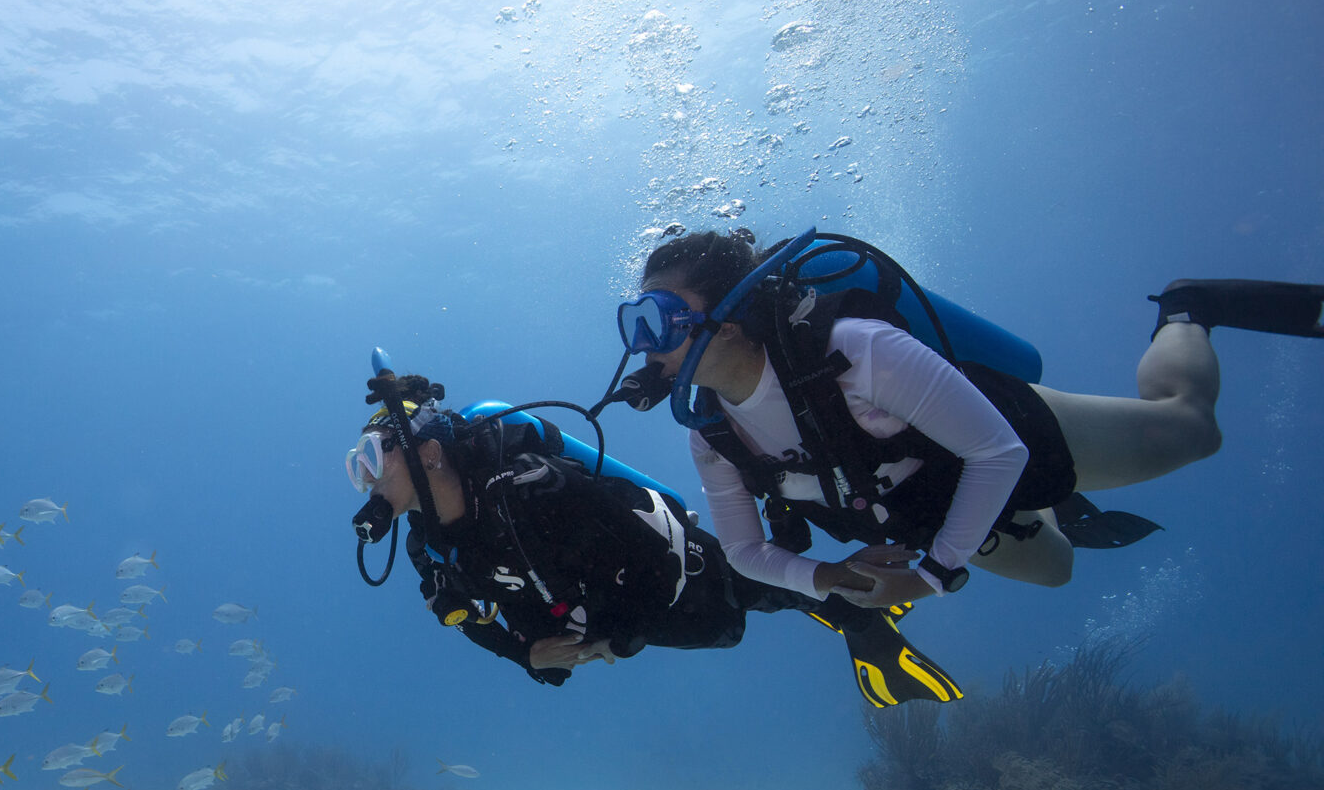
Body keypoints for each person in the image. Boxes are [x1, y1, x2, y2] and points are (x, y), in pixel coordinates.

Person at [616, 227, 1322, 609]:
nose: (643, 349)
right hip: (936, 500)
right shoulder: (709, 429)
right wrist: (824, 578)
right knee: (1058, 570)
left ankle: (1188, 306)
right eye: (634, 323)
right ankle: (1055, 510)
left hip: (1002, 434)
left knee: (1195, 428)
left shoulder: (854, 353)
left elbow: (998, 451)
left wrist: (929, 576)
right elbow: (743, 552)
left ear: (731, 318)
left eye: (659, 321)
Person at [347, 368, 960, 703]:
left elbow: (637, 534)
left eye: (373, 457)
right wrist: (524, 654)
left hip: (680, 574)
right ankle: (843, 605)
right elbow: (454, 611)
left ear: (429, 454)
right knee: (754, 603)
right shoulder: (426, 542)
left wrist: (619, 633)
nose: (365, 477)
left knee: (755, 589)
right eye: (358, 464)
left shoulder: (530, 487)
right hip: (618, 621)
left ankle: (863, 619)